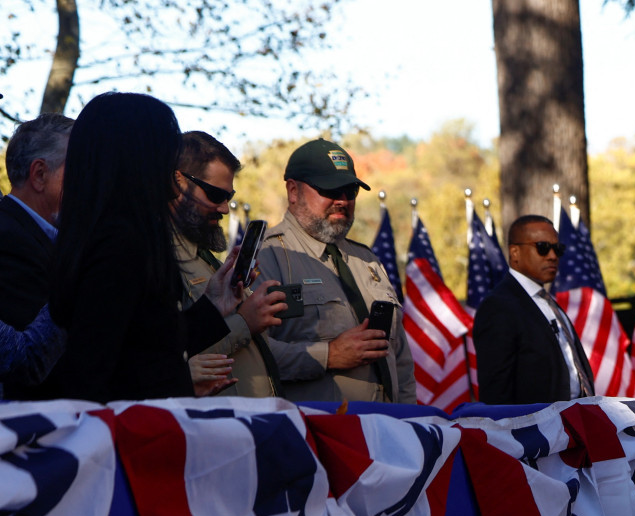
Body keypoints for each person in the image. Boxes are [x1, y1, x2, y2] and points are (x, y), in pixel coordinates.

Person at [45, 92, 242, 403]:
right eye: (166, 149)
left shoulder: (122, 236)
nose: (174, 168)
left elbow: (147, 342)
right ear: (139, 157)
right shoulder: (118, 244)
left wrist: (214, 307)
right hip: (128, 437)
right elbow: (92, 372)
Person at [254, 139, 414, 404]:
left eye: (350, 191)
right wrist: (328, 355)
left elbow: (401, 360)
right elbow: (249, 358)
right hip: (316, 435)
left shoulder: (367, 260)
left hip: (385, 430)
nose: (342, 200)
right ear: (293, 191)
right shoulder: (268, 257)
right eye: (330, 189)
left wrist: (409, 422)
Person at [172, 130, 286, 396]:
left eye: (229, 197)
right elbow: (162, 361)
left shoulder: (204, 256)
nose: (224, 208)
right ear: (177, 180)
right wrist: (244, 323)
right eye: (214, 195)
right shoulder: (157, 258)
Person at [473, 214, 595, 404]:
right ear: (514, 253)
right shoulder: (499, 306)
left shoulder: (546, 301)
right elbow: (496, 392)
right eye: (542, 248)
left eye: (557, 249)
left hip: (576, 419)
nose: (553, 256)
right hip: (534, 428)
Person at [0, 113, 73, 397]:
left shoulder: (45, 238)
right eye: (79, 170)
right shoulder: (8, 240)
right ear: (40, 174)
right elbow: (30, 363)